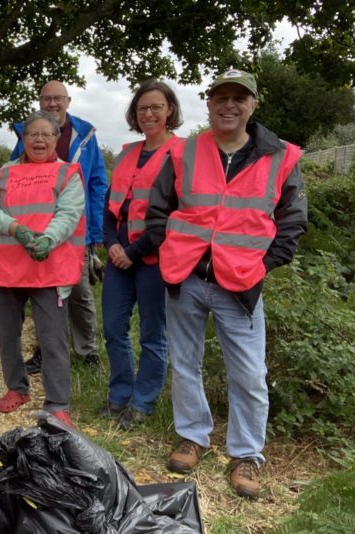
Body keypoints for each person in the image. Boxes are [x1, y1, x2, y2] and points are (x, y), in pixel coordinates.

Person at [145, 69, 307, 499]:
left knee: (250, 374)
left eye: (239, 98)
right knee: (183, 364)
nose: (229, 105)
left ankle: (247, 454)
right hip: (185, 278)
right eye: (221, 97)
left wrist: (262, 266)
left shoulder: (281, 156)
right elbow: (158, 208)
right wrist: (171, 253)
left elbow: (292, 221)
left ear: (253, 104)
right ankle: (193, 437)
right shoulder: (185, 152)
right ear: (210, 103)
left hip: (241, 283)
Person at [0, 111, 85, 429]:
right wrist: (15, 229)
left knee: (53, 339)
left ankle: (58, 404)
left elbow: (69, 212)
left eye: (46, 135)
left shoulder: (67, 174)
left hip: (48, 268)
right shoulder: (6, 172)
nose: (38, 140)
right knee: (7, 335)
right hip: (5, 268)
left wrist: (48, 239)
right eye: (31, 134)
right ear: (23, 139)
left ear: (55, 139)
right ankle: (17, 388)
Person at [10, 80, 108, 373]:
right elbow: (14, 176)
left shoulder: (86, 135)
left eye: (57, 99)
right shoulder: (28, 131)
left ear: (68, 100)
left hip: (76, 227)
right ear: (40, 101)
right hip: (38, 226)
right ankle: (44, 351)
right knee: (42, 291)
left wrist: (96, 231)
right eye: (46, 99)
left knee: (78, 291)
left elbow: (97, 183)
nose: (52, 104)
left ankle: (87, 352)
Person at [102, 80, 183, 430]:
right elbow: (110, 207)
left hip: (153, 258)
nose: (148, 114)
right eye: (142, 108)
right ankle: (119, 395)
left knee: (153, 334)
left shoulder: (181, 153)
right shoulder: (127, 154)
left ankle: (143, 403)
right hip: (119, 256)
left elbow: (177, 213)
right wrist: (111, 245)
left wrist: (134, 251)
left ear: (169, 111)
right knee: (113, 328)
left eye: (156, 107)